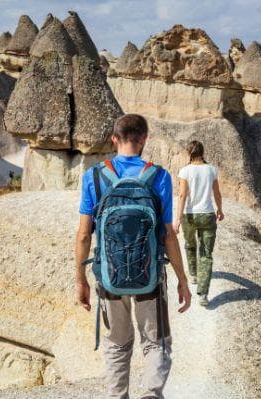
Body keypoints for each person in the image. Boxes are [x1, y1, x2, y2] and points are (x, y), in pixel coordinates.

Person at [75, 114, 192, 399]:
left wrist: (80, 279)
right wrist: (182, 279)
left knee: (116, 344)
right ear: (144, 140)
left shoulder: (94, 176)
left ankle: (118, 396)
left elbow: (83, 235)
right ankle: (152, 393)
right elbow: (168, 235)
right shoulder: (159, 176)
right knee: (156, 342)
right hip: (149, 277)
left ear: (114, 139)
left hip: (109, 277)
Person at [173, 141, 223, 307]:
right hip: (207, 214)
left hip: (190, 215)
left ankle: (193, 274)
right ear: (202, 152)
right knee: (206, 254)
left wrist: (177, 219)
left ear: (189, 153)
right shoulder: (211, 170)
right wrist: (220, 210)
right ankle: (203, 294)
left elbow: (182, 195)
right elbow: (217, 193)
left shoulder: (185, 171)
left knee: (190, 244)